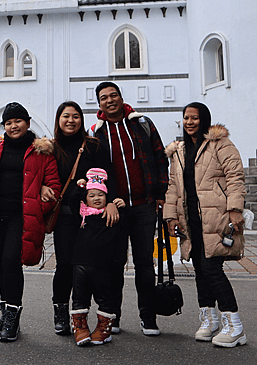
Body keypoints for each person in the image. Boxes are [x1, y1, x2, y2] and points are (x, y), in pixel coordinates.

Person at [163, 102, 246, 348]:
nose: (190, 122)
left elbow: (235, 176)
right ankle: (209, 320)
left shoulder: (220, 144)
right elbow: (172, 187)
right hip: (191, 221)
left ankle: (235, 325)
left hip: (216, 217)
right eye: (186, 118)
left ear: (205, 119)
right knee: (200, 269)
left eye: (195, 118)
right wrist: (171, 216)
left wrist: (235, 209)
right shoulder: (178, 151)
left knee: (212, 270)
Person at [89, 82, 168, 336]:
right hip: (116, 209)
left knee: (145, 264)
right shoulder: (95, 132)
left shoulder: (142, 123)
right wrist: (107, 200)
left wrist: (160, 194)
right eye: (104, 98)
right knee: (114, 265)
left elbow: (160, 159)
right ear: (98, 104)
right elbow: (95, 173)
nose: (109, 100)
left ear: (121, 98)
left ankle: (148, 317)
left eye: (113, 95)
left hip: (144, 206)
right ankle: (113, 317)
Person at [0, 102, 60, 342]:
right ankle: (5, 314)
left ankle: (13, 316)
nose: (13, 126)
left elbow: (54, 186)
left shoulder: (42, 152)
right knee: (2, 264)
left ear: (28, 123)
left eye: (18, 121)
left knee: (12, 261)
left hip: (21, 217)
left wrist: (39, 202)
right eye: (9, 122)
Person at [50, 101, 104, 336]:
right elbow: (44, 176)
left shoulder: (93, 146)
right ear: (58, 120)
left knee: (88, 267)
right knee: (64, 266)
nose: (70, 120)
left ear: (81, 120)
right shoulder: (50, 148)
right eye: (65, 116)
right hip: (64, 217)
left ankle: (80, 314)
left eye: (75, 116)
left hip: (91, 218)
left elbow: (106, 175)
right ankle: (61, 312)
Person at [68, 168, 125, 346]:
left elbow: (122, 236)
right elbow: (71, 200)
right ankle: (80, 327)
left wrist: (121, 205)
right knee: (79, 298)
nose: (96, 198)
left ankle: (104, 329)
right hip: (81, 264)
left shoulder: (113, 215)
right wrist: (80, 187)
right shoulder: (82, 213)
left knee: (106, 298)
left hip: (104, 265)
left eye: (101, 195)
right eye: (91, 195)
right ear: (85, 198)